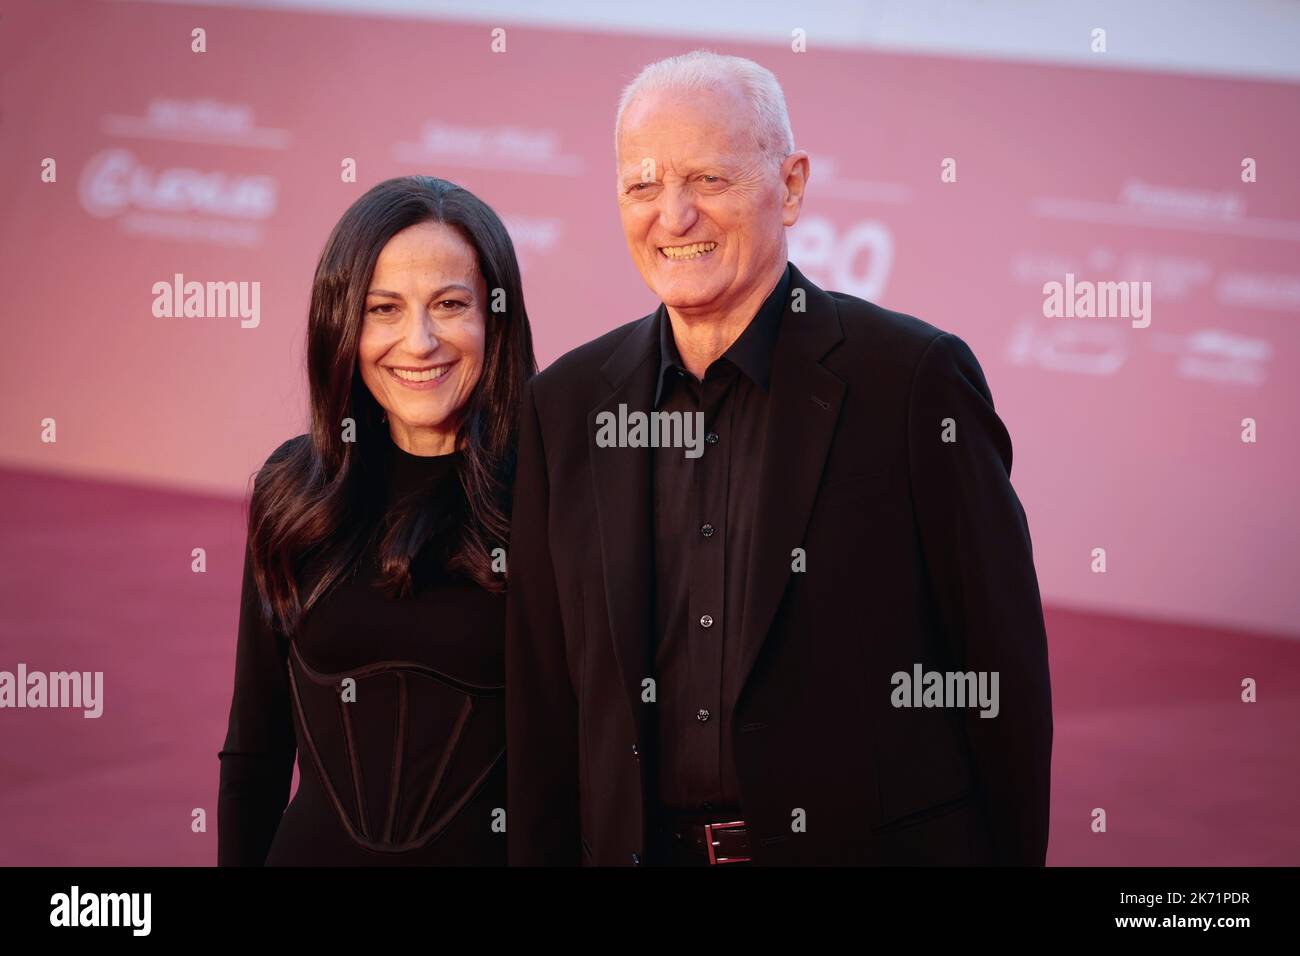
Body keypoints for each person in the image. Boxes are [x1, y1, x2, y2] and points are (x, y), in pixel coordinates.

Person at [506, 51, 1052, 866]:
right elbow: (546, 712)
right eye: (643, 185)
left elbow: (999, 676)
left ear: (791, 185)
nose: (674, 216)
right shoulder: (566, 406)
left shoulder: (910, 383)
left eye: (710, 180)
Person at [218, 176, 535, 865]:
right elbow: (254, 753)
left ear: (496, 319)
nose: (418, 342)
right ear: (343, 327)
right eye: (382, 309)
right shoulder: (297, 491)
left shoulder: (551, 499)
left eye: (450, 305)